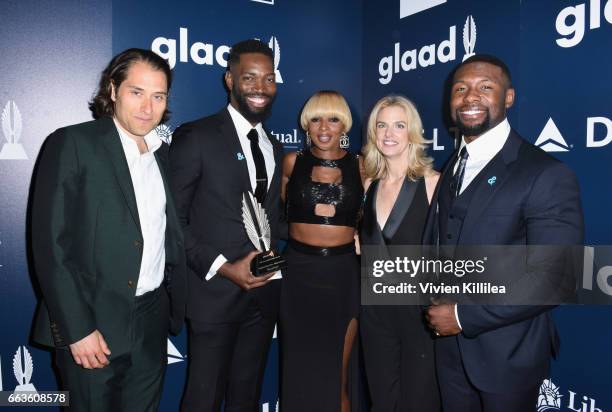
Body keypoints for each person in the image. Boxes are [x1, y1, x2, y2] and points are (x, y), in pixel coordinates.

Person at [424, 54, 584, 411]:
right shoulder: (454, 163)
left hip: (507, 355)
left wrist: (463, 316)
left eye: (485, 87)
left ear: (508, 97)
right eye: (460, 88)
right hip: (448, 350)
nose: (469, 97)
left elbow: (556, 277)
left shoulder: (545, 173)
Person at [30, 48, 186, 411]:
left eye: (158, 96)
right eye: (136, 92)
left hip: (151, 321)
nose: (148, 107)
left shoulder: (163, 155)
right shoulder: (72, 143)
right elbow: (51, 246)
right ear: (113, 90)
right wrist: (76, 329)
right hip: (92, 322)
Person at [169, 39, 283, 412]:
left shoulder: (274, 147)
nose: (261, 87)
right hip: (215, 295)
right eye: (249, 77)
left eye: (269, 79)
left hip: (262, 298)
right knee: (203, 399)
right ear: (229, 80)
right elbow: (174, 222)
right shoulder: (196, 136)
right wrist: (224, 267)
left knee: (246, 398)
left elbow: (271, 222)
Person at [280, 90, 363, 412]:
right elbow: (277, 215)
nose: (324, 127)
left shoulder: (362, 166)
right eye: (315, 118)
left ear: (344, 125)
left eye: (333, 118)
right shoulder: (292, 162)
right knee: (297, 371)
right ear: (306, 125)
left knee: (336, 377)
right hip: (297, 273)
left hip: (342, 275)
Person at [359, 95, 441, 411]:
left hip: (418, 315)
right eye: (381, 125)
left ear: (413, 133)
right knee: (382, 399)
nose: (388, 133)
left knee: (419, 402)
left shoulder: (433, 184)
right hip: (375, 313)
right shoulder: (368, 185)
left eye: (399, 125)